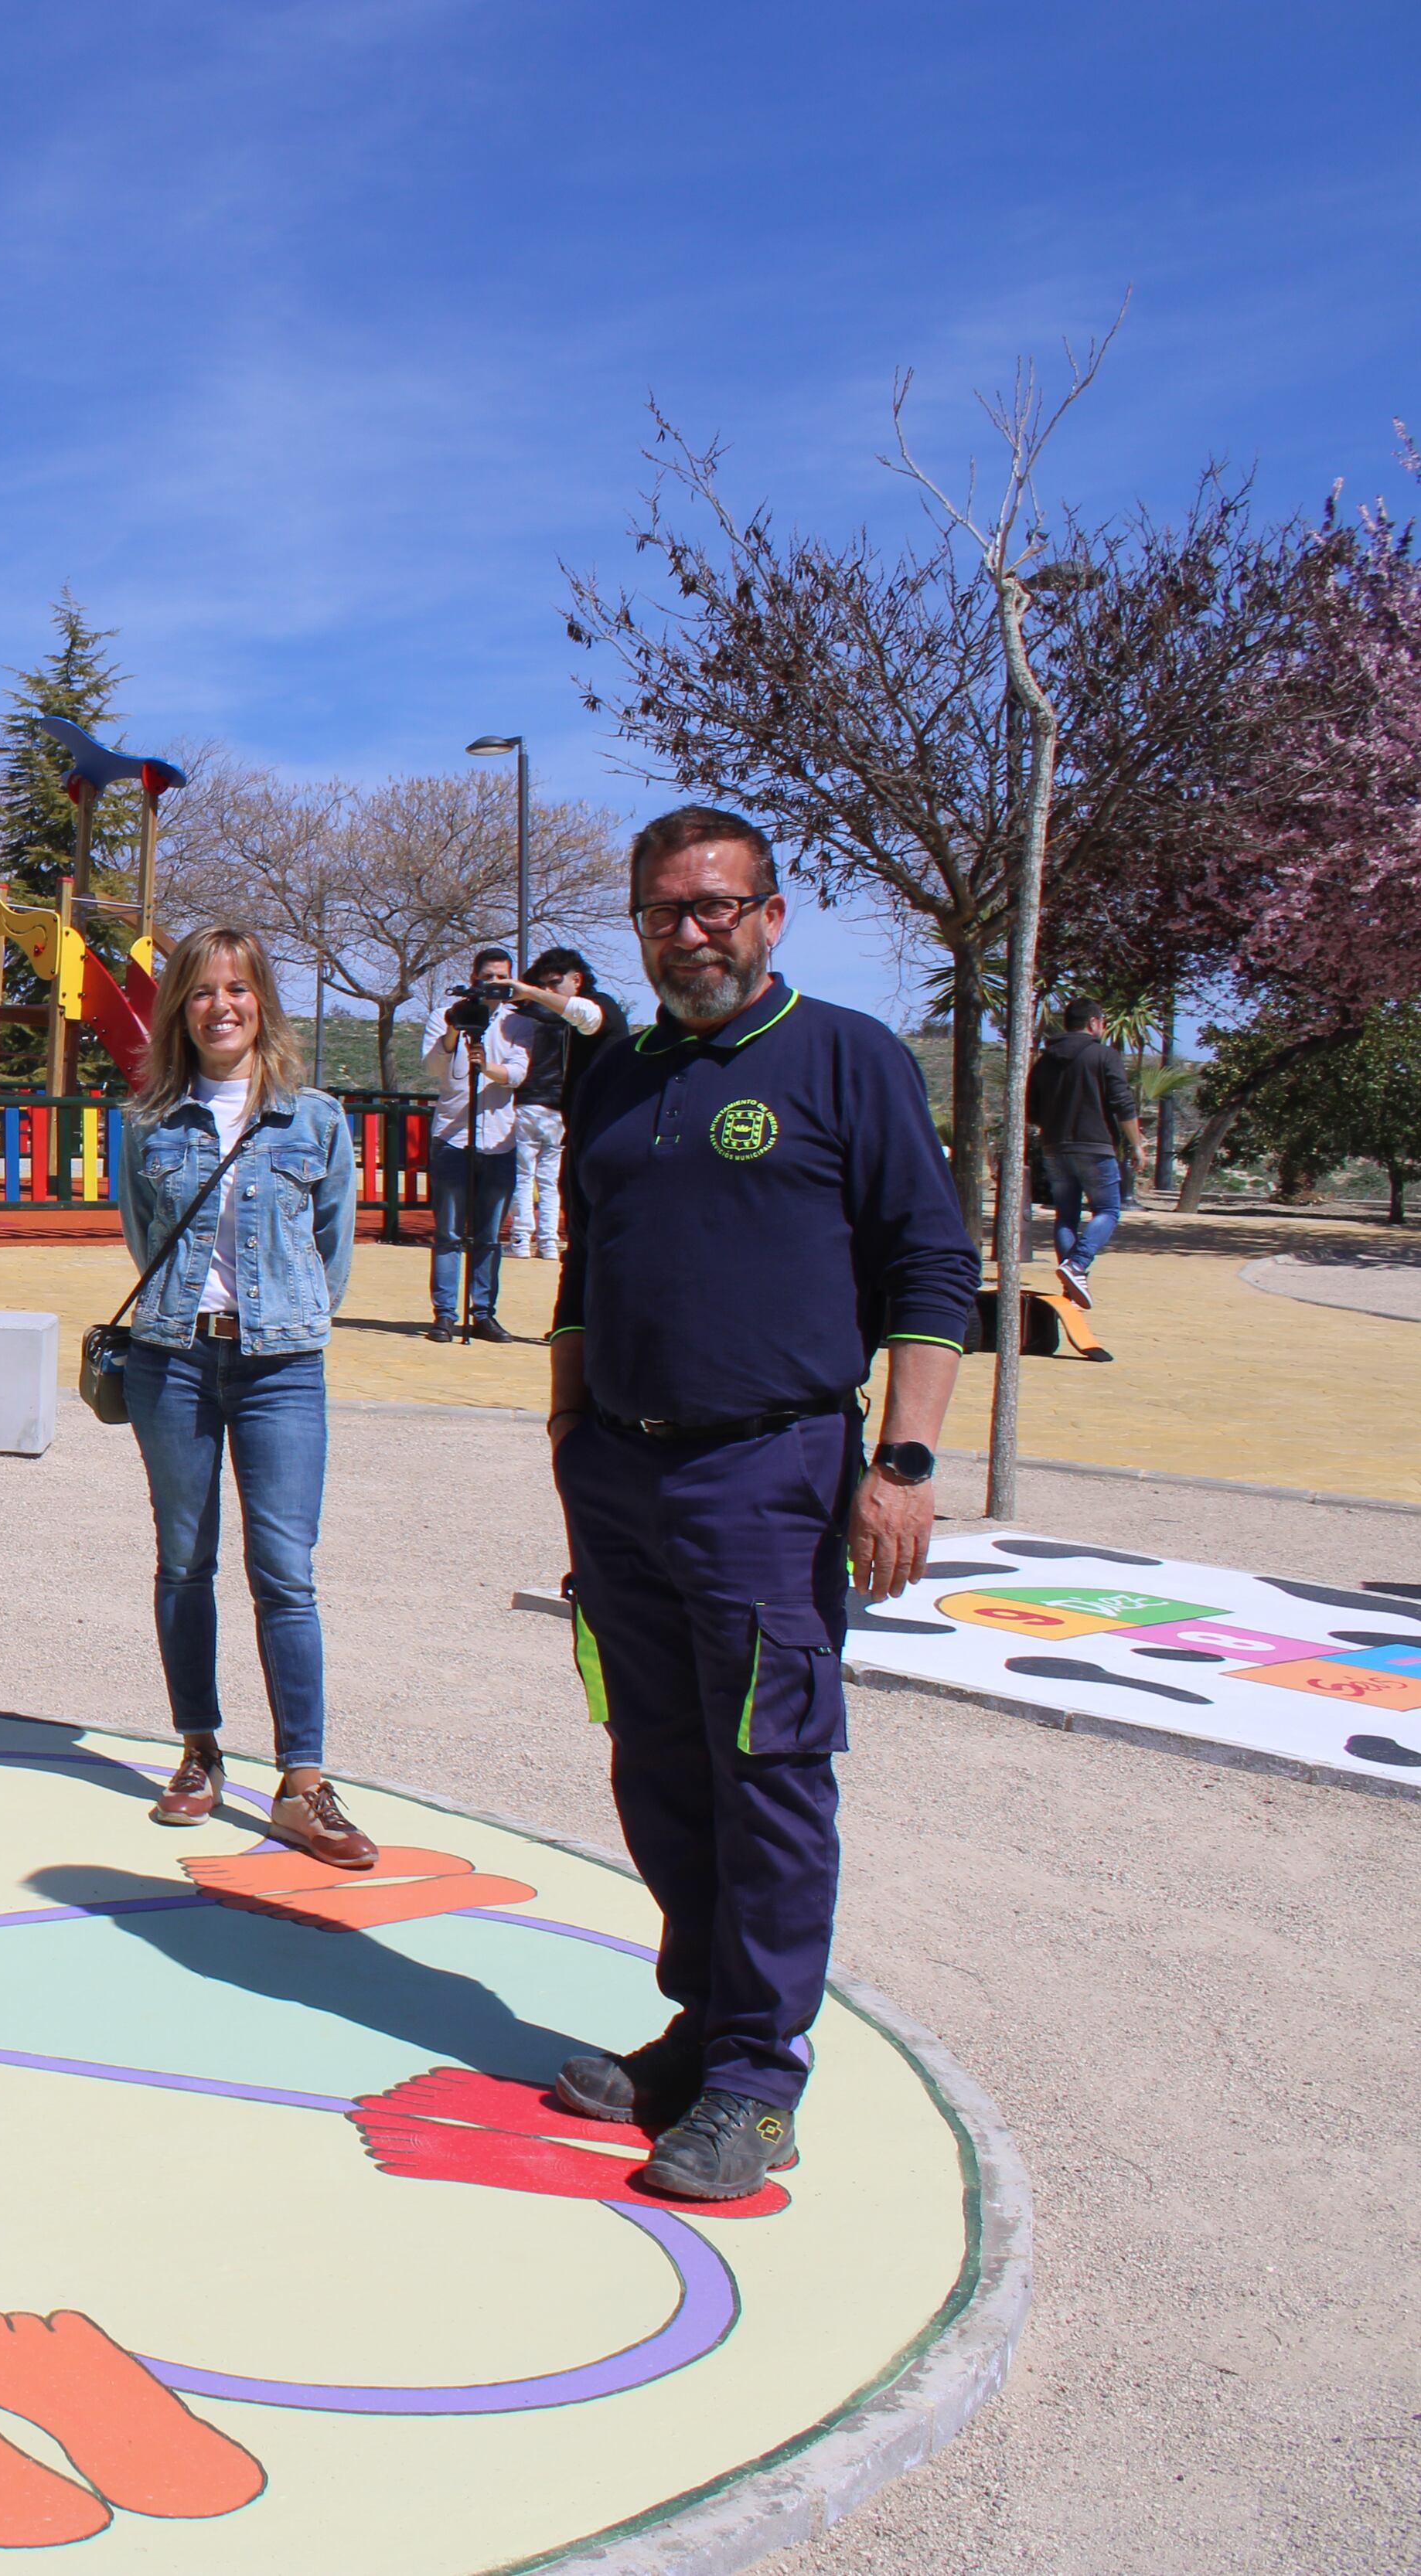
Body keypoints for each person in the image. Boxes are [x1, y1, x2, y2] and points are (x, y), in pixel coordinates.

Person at [546, 806, 973, 2201]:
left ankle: (759, 2079)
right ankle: (701, 2027)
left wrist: (903, 1464)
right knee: (659, 1764)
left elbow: (930, 1265)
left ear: (770, 915)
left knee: (770, 1773)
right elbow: (585, 1269)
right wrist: (568, 1434)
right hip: (623, 1472)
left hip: (770, 1473)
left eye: (716, 905)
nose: (690, 932)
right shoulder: (615, 1075)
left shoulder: (845, 1055)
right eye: (664, 910)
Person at [113, 926, 373, 1863]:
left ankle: (302, 1781)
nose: (219, 1007)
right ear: (178, 1009)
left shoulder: (315, 1118)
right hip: (172, 1359)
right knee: (184, 1560)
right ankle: (198, 1749)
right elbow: (144, 1238)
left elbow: (331, 1249)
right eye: (199, 991)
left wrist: (282, 1315)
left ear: (260, 1000)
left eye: (236, 989)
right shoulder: (146, 1121)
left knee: (284, 1572)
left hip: (280, 1367)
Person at [419, 948, 532, 1342]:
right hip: (452, 1138)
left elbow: (518, 1074)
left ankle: (483, 1314)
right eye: (487, 977)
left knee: (489, 1236)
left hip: (499, 1140)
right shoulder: (444, 1015)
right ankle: (445, 1315)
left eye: (502, 977)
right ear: (474, 978)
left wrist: (486, 1068)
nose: (494, 985)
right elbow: (433, 1069)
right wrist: (453, 1031)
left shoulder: (519, 1023)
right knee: (448, 1233)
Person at [504, 948, 622, 1261]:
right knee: (568, 1206)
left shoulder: (602, 1007)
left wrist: (530, 992)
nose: (548, 991)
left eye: (555, 983)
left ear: (577, 980)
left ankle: (532, 1240)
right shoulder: (560, 1022)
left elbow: (585, 1015)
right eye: (542, 985)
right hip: (576, 1131)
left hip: (604, 1135)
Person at [1025, 997, 1142, 1307]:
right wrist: (1137, 1144)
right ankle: (1077, 1265)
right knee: (1108, 1210)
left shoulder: (1044, 1062)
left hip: (1055, 1147)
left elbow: (1032, 1111)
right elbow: (1122, 1104)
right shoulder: (1104, 1056)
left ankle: (1072, 1287)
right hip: (1096, 1146)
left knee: (1066, 1216)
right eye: (1102, 1022)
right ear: (1093, 1022)